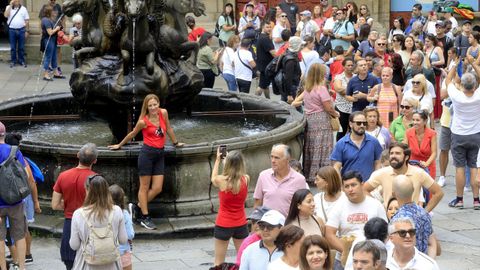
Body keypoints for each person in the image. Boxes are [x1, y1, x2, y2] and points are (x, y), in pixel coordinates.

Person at [108, 94, 183, 230]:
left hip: (160, 154)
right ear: (146, 107)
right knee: (144, 187)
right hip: (147, 155)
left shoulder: (163, 113)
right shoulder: (143, 121)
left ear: (158, 103)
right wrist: (119, 145)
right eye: (150, 105)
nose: (153, 107)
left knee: (157, 188)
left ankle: (136, 207)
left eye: (155, 104)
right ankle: (145, 217)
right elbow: (132, 134)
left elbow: (169, 128)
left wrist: (176, 142)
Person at [325, 171, 387, 270]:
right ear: (343, 189)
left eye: (353, 185)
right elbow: (329, 233)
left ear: (362, 185)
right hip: (344, 258)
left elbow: (385, 232)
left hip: (372, 260)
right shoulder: (338, 206)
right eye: (347, 186)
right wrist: (348, 251)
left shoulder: (376, 205)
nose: (350, 189)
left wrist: (369, 253)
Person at [51, 143, 98, 270]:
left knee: (70, 261)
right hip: (90, 224)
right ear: (95, 160)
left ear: (78, 155)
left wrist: (68, 206)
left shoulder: (63, 176)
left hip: (70, 223)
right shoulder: (96, 179)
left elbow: (55, 205)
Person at [443, 57, 480, 209]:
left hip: (458, 134)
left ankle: (459, 199)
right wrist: (473, 63)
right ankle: (477, 200)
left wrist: (455, 64)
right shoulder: (478, 96)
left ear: (462, 85)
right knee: (473, 166)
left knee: (459, 167)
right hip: (476, 134)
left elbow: (448, 81)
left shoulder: (457, 96)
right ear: (475, 85)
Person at [364, 142, 443, 211]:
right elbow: (364, 190)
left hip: (411, 220)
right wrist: (379, 208)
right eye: (391, 153)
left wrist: (424, 213)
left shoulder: (418, 173)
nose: (393, 156)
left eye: (397, 153)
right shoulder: (382, 173)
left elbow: (438, 193)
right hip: (388, 220)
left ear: (406, 157)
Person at [69, 175, 128, 269]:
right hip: (112, 264)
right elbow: (123, 240)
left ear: (88, 191)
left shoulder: (78, 214)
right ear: (106, 191)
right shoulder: (117, 210)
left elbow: (74, 245)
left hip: (86, 264)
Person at [294, 63, 338, 182]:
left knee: (311, 146)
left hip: (310, 119)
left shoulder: (308, 88)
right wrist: (336, 114)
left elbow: (295, 102)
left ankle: (310, 174)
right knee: (323, 146)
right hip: (321, 120)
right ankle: (322, 175)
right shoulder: (321, 89)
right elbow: (328, 108)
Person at [4, 133, 41, 267]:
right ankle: (26, 255)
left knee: (14, 232)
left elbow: (31, 180)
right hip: (24, 196)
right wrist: (35, 201)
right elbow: (31, 181)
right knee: (23, 228)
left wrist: (36, 201)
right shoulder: (20, 157)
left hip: (17, 198)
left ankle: (19, 260)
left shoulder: (16, 158)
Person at [211, 148, 249, 266]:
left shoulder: (222, 181)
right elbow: (236, 176)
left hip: (224, 224)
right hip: (241, 224)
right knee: (243, 259)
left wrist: (218, 160)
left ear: (227, 164)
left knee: (219, 262)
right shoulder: (246, 179)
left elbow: (213, 178)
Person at [0, 122, 28, 270]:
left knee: (0, 237)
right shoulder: (14, 150)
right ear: (4, 134)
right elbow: (25, 174)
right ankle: (22, 267)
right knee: (19, 235)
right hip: (15, 201)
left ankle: (3, 268)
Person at [253, 144, 306, 217]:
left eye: (277, 158)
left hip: (288, 225)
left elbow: (302, 206)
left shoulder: (299, 180)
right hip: (266, 226)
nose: (273, 161)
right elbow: (257, 203)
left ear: (288, 159)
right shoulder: (263, 176)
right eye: (271, 157)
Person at [390, 175, 435, 257]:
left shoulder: (398, 219)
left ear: (393, 194)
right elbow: (432, 243)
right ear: (413, 190)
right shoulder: (424, 212)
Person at [330, 111, 383, 181]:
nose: (362, 125)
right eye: (358, 123)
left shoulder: (374, 142)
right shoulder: (341, 143)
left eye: (364, 123)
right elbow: (336, 167)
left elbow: (378, 164)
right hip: (349, 186)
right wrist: (341, 187)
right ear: (350, 124)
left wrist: (376, 183)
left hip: (369, 186)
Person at [403, 110, 437, 179]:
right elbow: (404, 150)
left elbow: (434, 153)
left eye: (418, 120)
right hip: (412, 165)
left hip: (428, 166)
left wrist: (426, 164)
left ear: (425, 121)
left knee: (428, 189)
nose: (414, 122)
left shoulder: (432, 134)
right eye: (413, 120)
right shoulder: (408, 132)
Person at [109, 184, 134, 270]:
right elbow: (130, 234)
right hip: (122, 251)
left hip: (107, 252)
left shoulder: (103, 214)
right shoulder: (125, 214)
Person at [40, 5, 64, 81]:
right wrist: (57, 28)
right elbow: (50, 32)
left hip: (53, 40)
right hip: (48, 40)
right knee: (48, 57)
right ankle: (46, 74)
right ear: (49, 12)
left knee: (54, 56)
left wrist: (60, 26)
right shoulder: (45, 20)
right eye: (52, 11)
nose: (54, 12)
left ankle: (56, 73)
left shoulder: (50, 19)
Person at [4, 0, 29, 68]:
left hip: (21, 30)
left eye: (18, 0)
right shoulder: (8, 7)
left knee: (21, 47)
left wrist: (26, 31)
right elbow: (6, 15)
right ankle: (13, 61)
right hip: (12, 30)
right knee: (13, 47)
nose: (16, 1)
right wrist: (10, 6)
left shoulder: (23, 9)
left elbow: (26, 20)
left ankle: (21, 61)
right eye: (15, 0)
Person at [333, 58, 354, 141]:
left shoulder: (356, 77)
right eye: (348, 65)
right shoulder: (339, 77)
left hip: (353, 107)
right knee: (342, 131)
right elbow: (338, 89)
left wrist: (345, 90)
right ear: (344, 66)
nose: (350, 67)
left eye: (352, 65)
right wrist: (352, 90)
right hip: (342, 108)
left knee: (353, 130)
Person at [255, 22, 275, 98]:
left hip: (263, 66)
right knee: (261, 87)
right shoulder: (265, 38)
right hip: (265, 67)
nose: (269, 29)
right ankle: (254, 100)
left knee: (265, 85)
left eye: (270, 27)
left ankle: (268, 100)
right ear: (263, 27)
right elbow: (273, 53)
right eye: (267, 27)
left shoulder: (263, 37)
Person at [282, 36, 302, 103]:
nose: (301, 47)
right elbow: (288, 78)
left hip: (291, 87)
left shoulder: (288, 54)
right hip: (292, 89)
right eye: (300, 45)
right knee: (296, 109)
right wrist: (289, 94)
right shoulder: (290, 60)